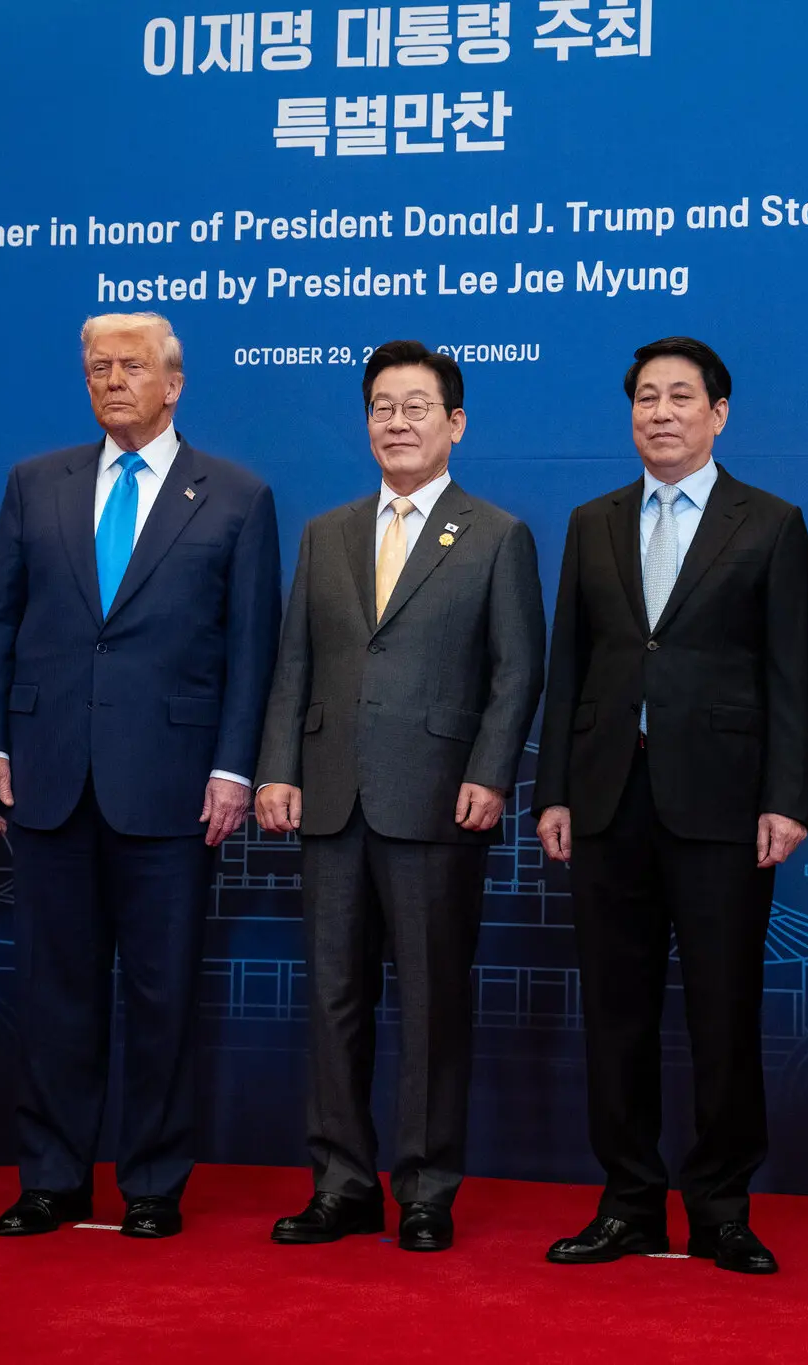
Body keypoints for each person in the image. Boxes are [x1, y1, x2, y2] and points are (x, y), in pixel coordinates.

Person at [0, 312, 280, 1240]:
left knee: (160, 994)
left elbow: (251, 650)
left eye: (131, 366)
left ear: (174, 382)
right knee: (53, 994)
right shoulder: (36, 483)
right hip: (48, 780)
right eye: (97, 367)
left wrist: (233, 766)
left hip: (176, 784)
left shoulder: (235, 494)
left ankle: (152, 1180)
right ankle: (52, 1178)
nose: (111, 381)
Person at [534, 336, 808, 1275]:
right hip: (610, 798)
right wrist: (555, 789)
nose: (660, 411)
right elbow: (567, 664)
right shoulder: (593, 520)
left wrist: (786, 796)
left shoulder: (770, 522)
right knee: (614, 1014)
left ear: (719, 412)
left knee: (723, 1013)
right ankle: (627, 1203)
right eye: (645, 397)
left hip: (725, 806)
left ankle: (722, 1207)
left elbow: (790, 675)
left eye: (680, 396)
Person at [255, 341, 545, 1253]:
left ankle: (426, 1187)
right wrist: (276, 770)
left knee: (429, 1003)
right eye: (383, 406)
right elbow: (293, 662)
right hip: (331, 800)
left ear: (456, 423)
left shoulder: (496, 534)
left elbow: (516, 671)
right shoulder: (325, 532)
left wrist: (491, 773)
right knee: (334, 999)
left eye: (418, 406)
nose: (398, 422)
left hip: (437, 803)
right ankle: (341, 1182)